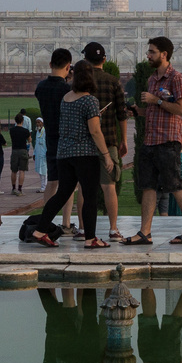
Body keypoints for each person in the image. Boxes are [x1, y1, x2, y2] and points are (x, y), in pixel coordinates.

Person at [29, 63, 116, 247]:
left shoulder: (66, 98)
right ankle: (91, 239)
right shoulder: (90, 100)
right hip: (85, 154)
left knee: (62, 194)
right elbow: (95, 131)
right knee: (90, 196)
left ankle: (40, 230)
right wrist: (106, 155)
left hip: (64, 154)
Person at [133, 36, 182, 245]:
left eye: (152, 52)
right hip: (151, 140)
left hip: (168, 140)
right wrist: (139, 111)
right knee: (148, 187)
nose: (148, 55)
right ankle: (144, 232)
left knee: (175, 185)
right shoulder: (153, 79)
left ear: (164, 54)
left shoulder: (176, 79)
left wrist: (157, 100)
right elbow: (156, 111)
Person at [81, 42, 129, 243]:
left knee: (84, 187)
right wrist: (124, 140)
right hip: (108, 140)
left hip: (84, 142)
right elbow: (122, 114)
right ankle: (113, 229)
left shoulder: (80, 83)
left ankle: (83, 229)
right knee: (109, 186)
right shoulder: (113, 81)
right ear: (105, 60)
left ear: (86, 60)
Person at [34, 48, 75, 233]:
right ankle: (66, 222)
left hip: (50, 137)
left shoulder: (40, 87)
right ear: (68, 66)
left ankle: (46, 219)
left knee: (52, 181)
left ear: (50, 64)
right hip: (65, 139)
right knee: (68, 184)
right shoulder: (67, 89)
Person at [8, 115, 30, 196]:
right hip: (23, 150)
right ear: (22, 121)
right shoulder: (25, 131)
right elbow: (29, 139)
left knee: (14, 170)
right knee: (22, 170)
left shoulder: (12, 130)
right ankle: (20, 189)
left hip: (14, 150)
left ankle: (13, 188)